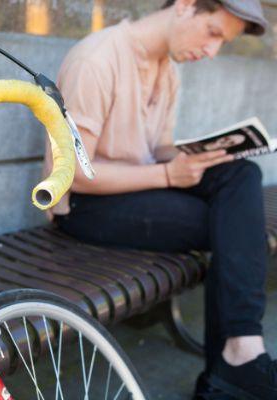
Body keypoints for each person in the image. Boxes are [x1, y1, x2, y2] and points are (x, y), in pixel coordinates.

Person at [43, 1, 273, 399]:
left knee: (241, 174)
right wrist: (168, 174)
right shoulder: (97, 59)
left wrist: (196, 156)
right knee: (235, 227)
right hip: (85, 206)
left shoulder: (168, 69)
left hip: (140, 189)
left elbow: (156, 147)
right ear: (185, 6)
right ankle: (234, 365)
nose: (212, 51)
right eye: (214, 33)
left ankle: (240, 353)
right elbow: (70, 174)